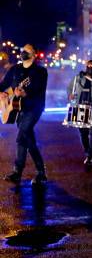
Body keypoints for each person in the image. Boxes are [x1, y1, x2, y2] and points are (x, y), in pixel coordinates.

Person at [0, 44, 48, 185]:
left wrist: (25, 93)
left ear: (34, 54)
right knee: (28, 139)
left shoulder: (40, 71)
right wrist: (2, 94)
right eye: (22, 50)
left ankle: (17, 171)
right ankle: (41, 172)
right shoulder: (15, 69)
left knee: (22, 135)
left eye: (27, 51)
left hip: (34, 108)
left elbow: (39, 90)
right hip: (18, 108)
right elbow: (3, 85)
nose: (23, 53)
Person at [67, 60, 92, 168]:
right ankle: (87, 151)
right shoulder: (79, 77)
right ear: (86, 66)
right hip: (81, 107)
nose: (90, 67)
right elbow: (70, 88)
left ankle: (90, 156)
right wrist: (70, 95)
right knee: (83, 133)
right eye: (89, 66)